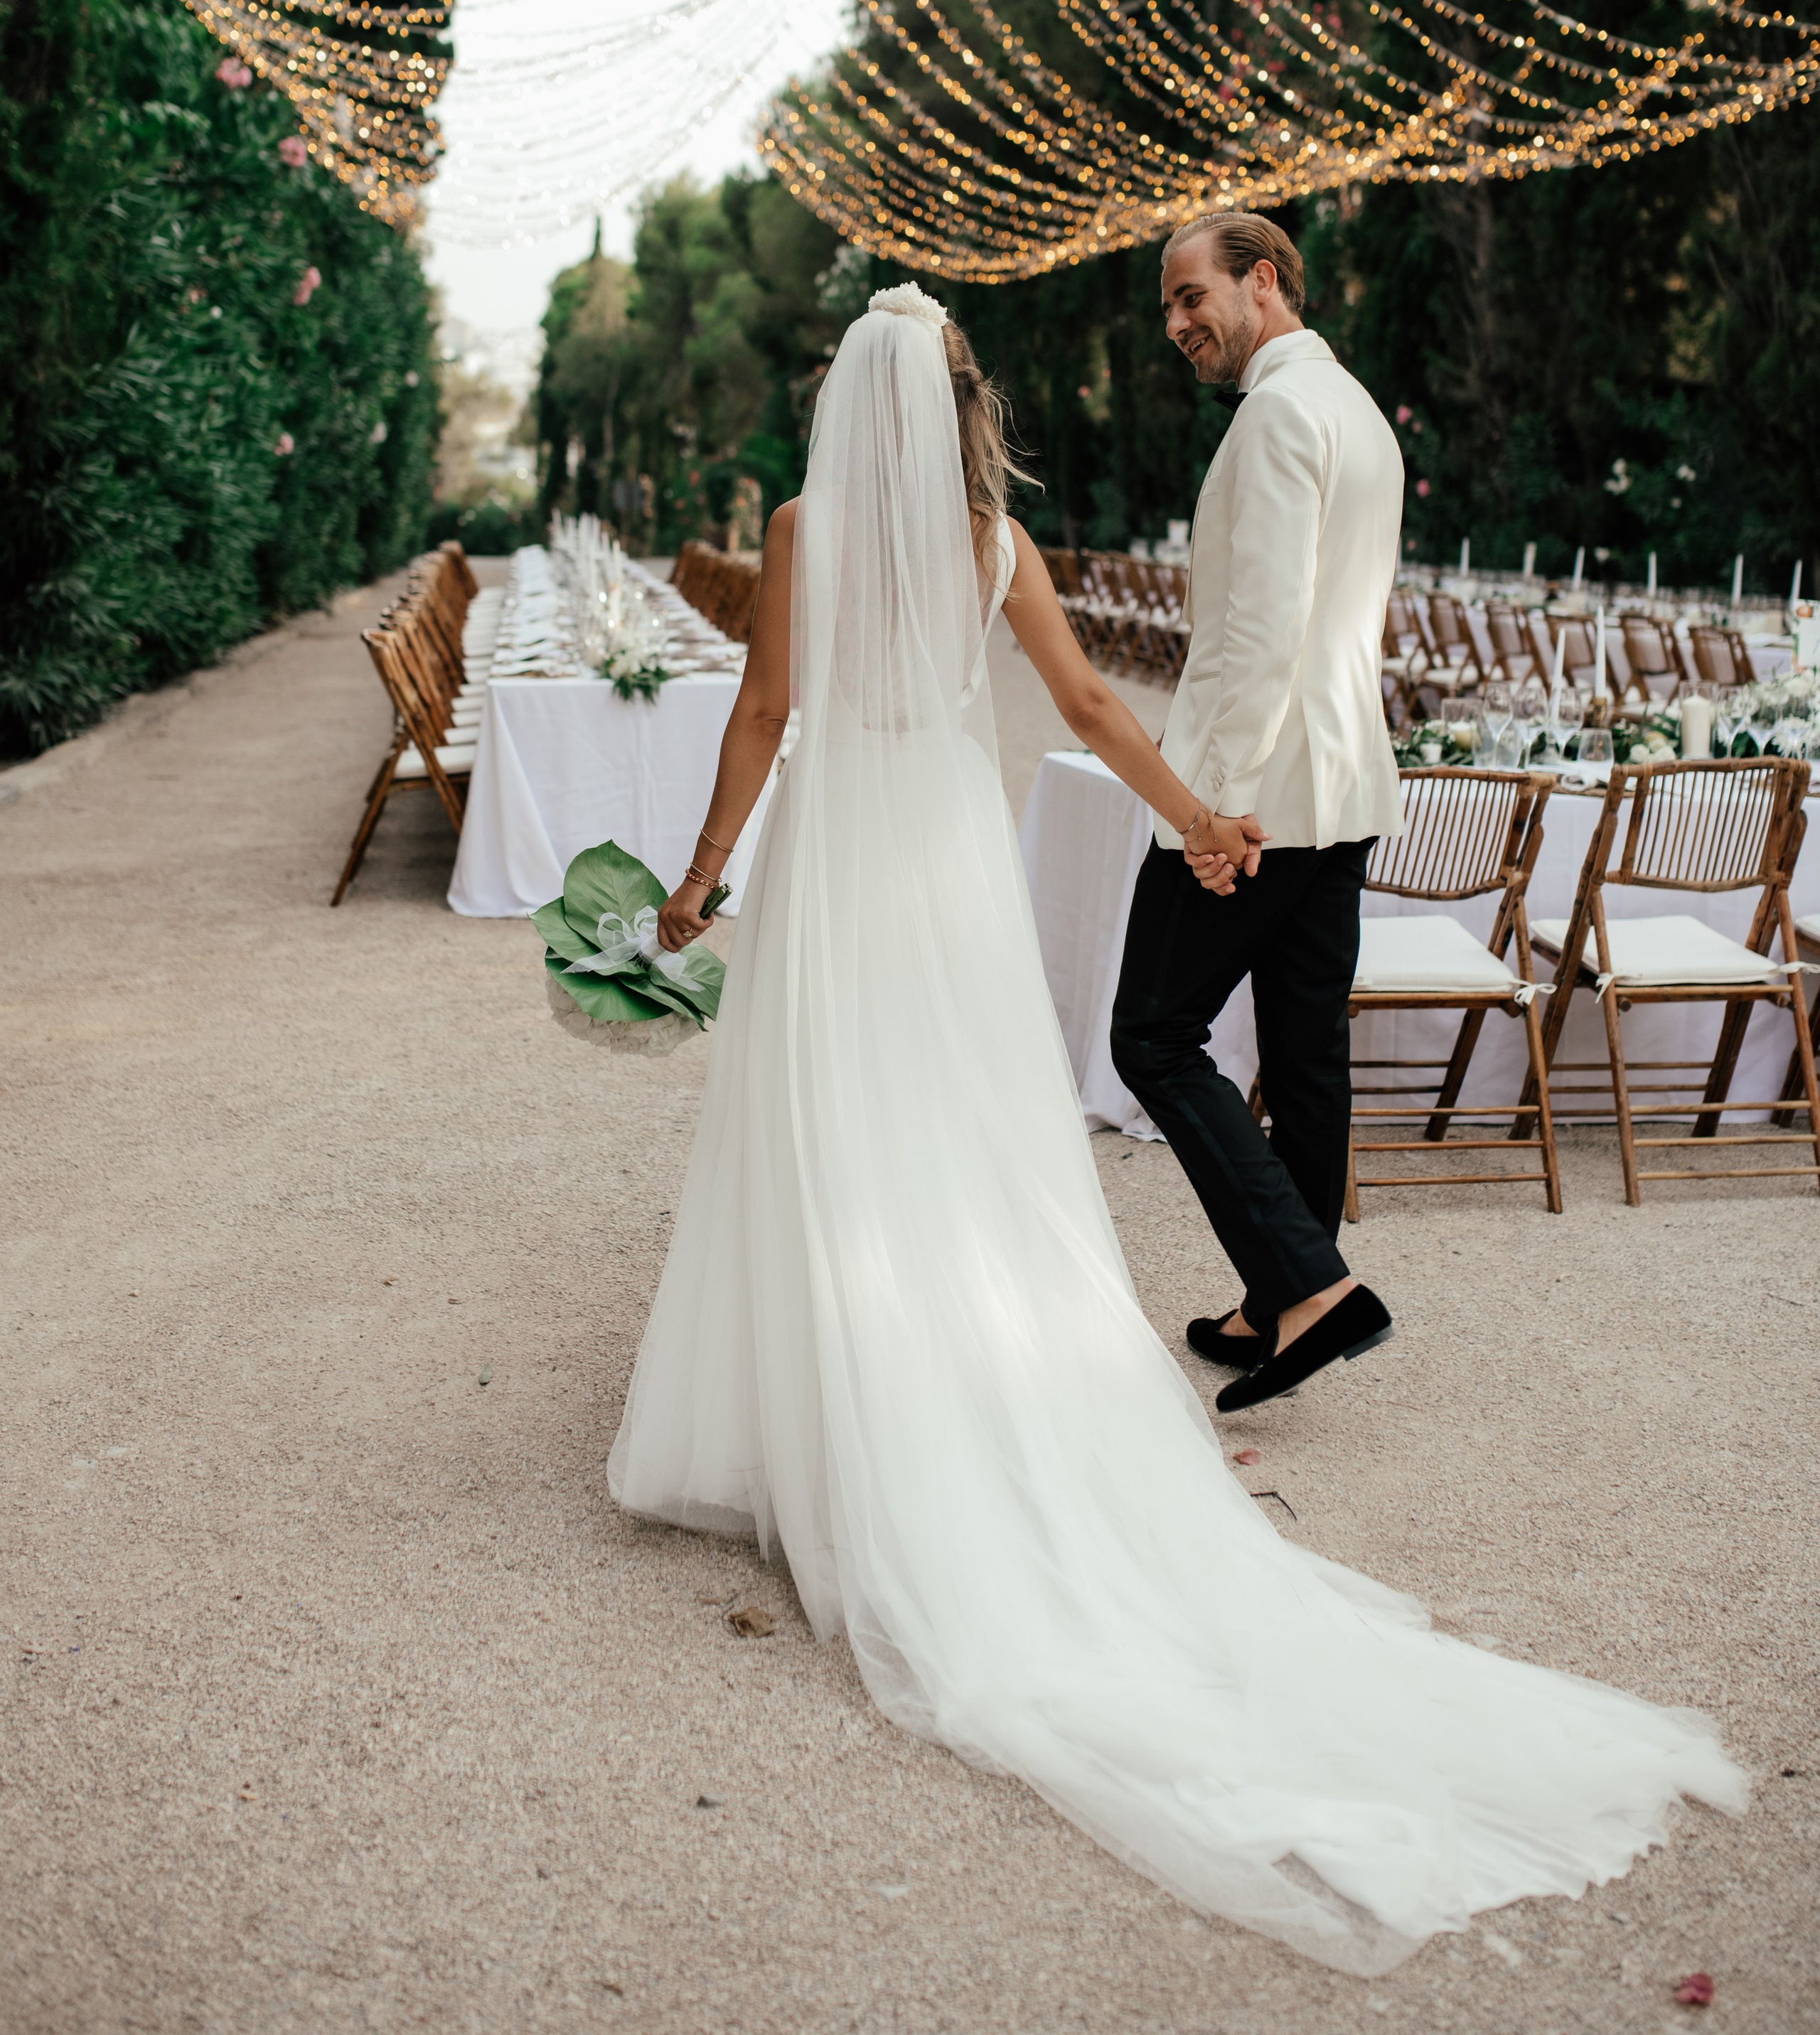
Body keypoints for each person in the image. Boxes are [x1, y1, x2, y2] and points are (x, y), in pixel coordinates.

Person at [611, 281, 1740, 1975]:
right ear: (957, 400)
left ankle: (835, 1422)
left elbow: (764, 719)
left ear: (852, 404)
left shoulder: (801, 524)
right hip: (947, 893)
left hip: (843, 887)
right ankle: (962, 1399)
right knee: (969, 1159)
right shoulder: (994, 545)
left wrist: (698, 881)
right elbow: (1083, 711)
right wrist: (1194, 812)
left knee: (826, 1138)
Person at [1110, 213, 1406, 1416]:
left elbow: (1262, 634)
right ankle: (1271, 1302)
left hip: (1266, 796)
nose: (1180, 325)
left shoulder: (1281, 415)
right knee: (1305, 1055)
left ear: (1262, 283)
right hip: (1343, 785)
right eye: (1170, 309)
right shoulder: (1355, 407)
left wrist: (1209, 812)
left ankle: (1314, 1288)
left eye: (1193, 298)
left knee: (1152, 1036)